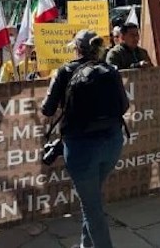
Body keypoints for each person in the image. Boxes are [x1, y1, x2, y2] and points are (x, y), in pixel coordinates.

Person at [42, 30, 125, 248]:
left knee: (92, 207)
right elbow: (124, 106)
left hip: (81, 149)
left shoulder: (64, 71)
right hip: (113, 142)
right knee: (91, 200)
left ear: (76, 49)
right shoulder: (110, 70)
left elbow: (47, 109)